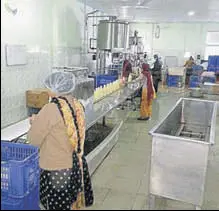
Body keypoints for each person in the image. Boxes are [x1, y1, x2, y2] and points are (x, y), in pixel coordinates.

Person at [27, 72, 94, 210]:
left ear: (54, 89)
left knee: (57, 206)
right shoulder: (77, 104)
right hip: (76, 167)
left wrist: (35, 122)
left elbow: (33, 140)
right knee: (70, 203)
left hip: (56, 171)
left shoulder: (51, 109)